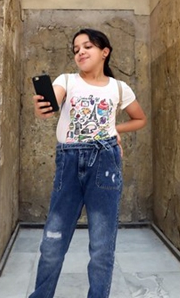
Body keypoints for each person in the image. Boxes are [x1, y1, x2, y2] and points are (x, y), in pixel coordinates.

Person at [30, 28, 146, 298]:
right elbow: (52, 102)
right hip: (69, 162)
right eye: (75, 49)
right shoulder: (67, 80)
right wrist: (43, 107)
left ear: (104, 52)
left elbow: (140, 119)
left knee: (102, 247)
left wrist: (116, 129)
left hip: (105, 163)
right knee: (52, 243)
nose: (80, 52)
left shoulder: (119, 88)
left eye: (87, 46)